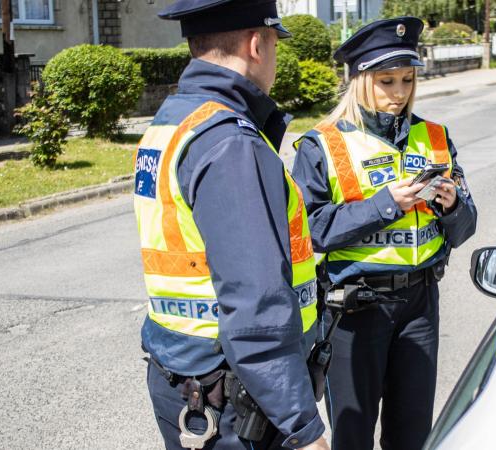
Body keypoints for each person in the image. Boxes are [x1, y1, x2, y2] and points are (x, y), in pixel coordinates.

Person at [132, 1, 328, 449]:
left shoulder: (174, 120)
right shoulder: (231, 142)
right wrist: (304, 427)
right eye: (276, 43)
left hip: (186, 379)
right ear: (257, 44)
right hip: (238, 399)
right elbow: (256, 307)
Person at [291, 17, 477, 450]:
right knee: (352, 436)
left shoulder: (434, 137)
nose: (398, 93)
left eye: (407, 80)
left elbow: (466, 227)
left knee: (412, 435)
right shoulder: (322, 146)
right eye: (386, 81)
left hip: (419, 304)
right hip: (355, 309)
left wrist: (451, 206)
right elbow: (311, 232)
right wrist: (387, 205)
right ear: (359, 81)